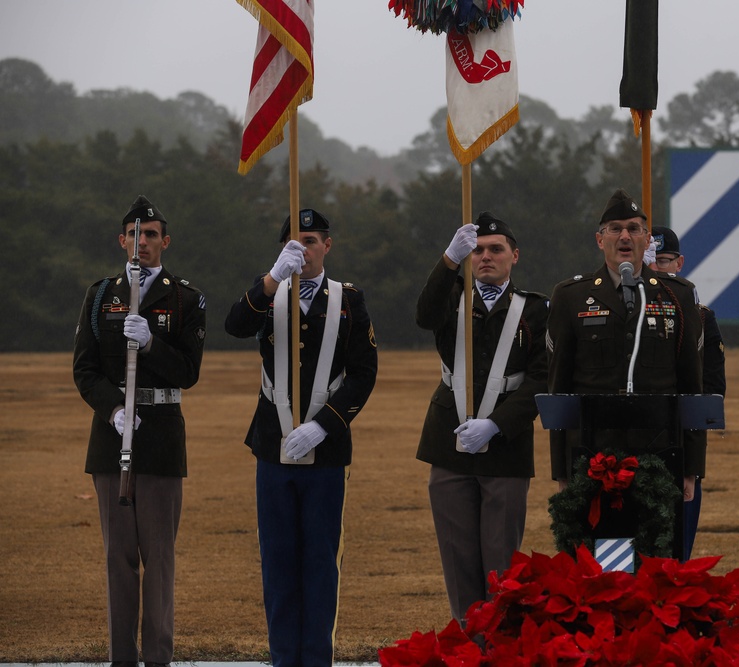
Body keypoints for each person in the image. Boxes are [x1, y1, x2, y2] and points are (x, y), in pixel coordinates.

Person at [224, 209, 378, 666]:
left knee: (319, 563)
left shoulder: (349, 298)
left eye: (311, 240)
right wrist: (273, 278)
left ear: (327, 245)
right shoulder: (269, 290)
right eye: (295, 241)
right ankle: (283, 658)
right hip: (272, 447)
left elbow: (363, 374)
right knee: (278, 562)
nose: (304, 249)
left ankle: (316, 659)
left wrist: (323, 424)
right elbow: (234, 324)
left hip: (326, 452)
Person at [73, 195, 206, 667]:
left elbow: (188, 371)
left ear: (164, 241)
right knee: (118, 559)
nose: (141, 241)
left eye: (150, 234)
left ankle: (157, 659)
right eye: (134, 233)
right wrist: (113, 410)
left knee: (159, 559)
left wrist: (151, 344)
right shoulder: (101, 296)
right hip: (112, 437)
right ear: (121, 240)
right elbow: (85, 370)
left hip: (161, 436)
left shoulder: (184, 298)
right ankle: (121, 659)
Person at [415, 211, 549, 625]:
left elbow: (543, 380)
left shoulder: (536, 309)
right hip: (449, 442)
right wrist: (448, 261)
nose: (485, 257)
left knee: (501, 562)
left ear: (515, 256)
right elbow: (424, 314)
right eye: (477, 251)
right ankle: (467, 646)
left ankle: (503, 646)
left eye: (496, 249)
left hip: (505, 448)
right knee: (458, 561)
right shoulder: (452, 298)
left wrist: (497, 424)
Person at [546, 188, 704, 525]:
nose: (625, 236)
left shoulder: (677, 295)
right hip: (591, 456)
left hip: (660, 454)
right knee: (598, 569)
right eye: (615, 228)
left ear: (648, 240)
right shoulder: (571, 296)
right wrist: (561, 470)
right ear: (599, 239)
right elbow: (559, 388)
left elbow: (692, 385)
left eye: (634, 228)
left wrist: (692, 469)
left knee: (655, 567)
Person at [645, 226, 726, 561]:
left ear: (679, 263)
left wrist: (693, 459)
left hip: (678, 443)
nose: (658, 269)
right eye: (651, 261)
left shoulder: (700, 317)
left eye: (664, 261)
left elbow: (710, 388)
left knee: (677, 554)